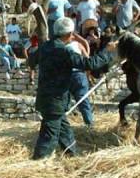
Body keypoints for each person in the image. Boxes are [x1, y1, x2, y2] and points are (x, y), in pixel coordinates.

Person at [32, 18, 116, 160]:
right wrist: (107, 51)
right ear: (67, 34)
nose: (73, 36)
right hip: (55, 101)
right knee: (49, 138)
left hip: (46, 98)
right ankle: (38, 163)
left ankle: (73, 157)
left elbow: (31, 60)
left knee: (64, 130)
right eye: (71, 34)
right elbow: (90, 63)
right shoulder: (63, 52)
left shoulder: (45, 47)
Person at [67, 34, 95, 126]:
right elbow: (87, 60)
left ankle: (65, 123)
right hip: (79, 75)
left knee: (64, 100)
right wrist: (89, 75)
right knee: (83, 100)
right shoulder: (78, 45)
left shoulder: (61, 47)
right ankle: (89, 124)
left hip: (66, 76)